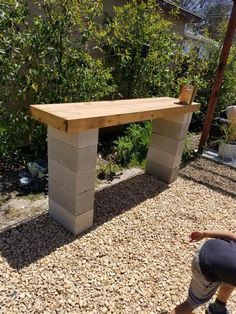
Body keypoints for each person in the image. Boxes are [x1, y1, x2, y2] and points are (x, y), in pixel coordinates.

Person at [171, 230, 236, 314]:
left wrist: (204, 234)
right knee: (191, 303)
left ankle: (217, 308)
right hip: (206, 267)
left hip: (207, 249)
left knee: (231, 279)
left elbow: (232, 236)